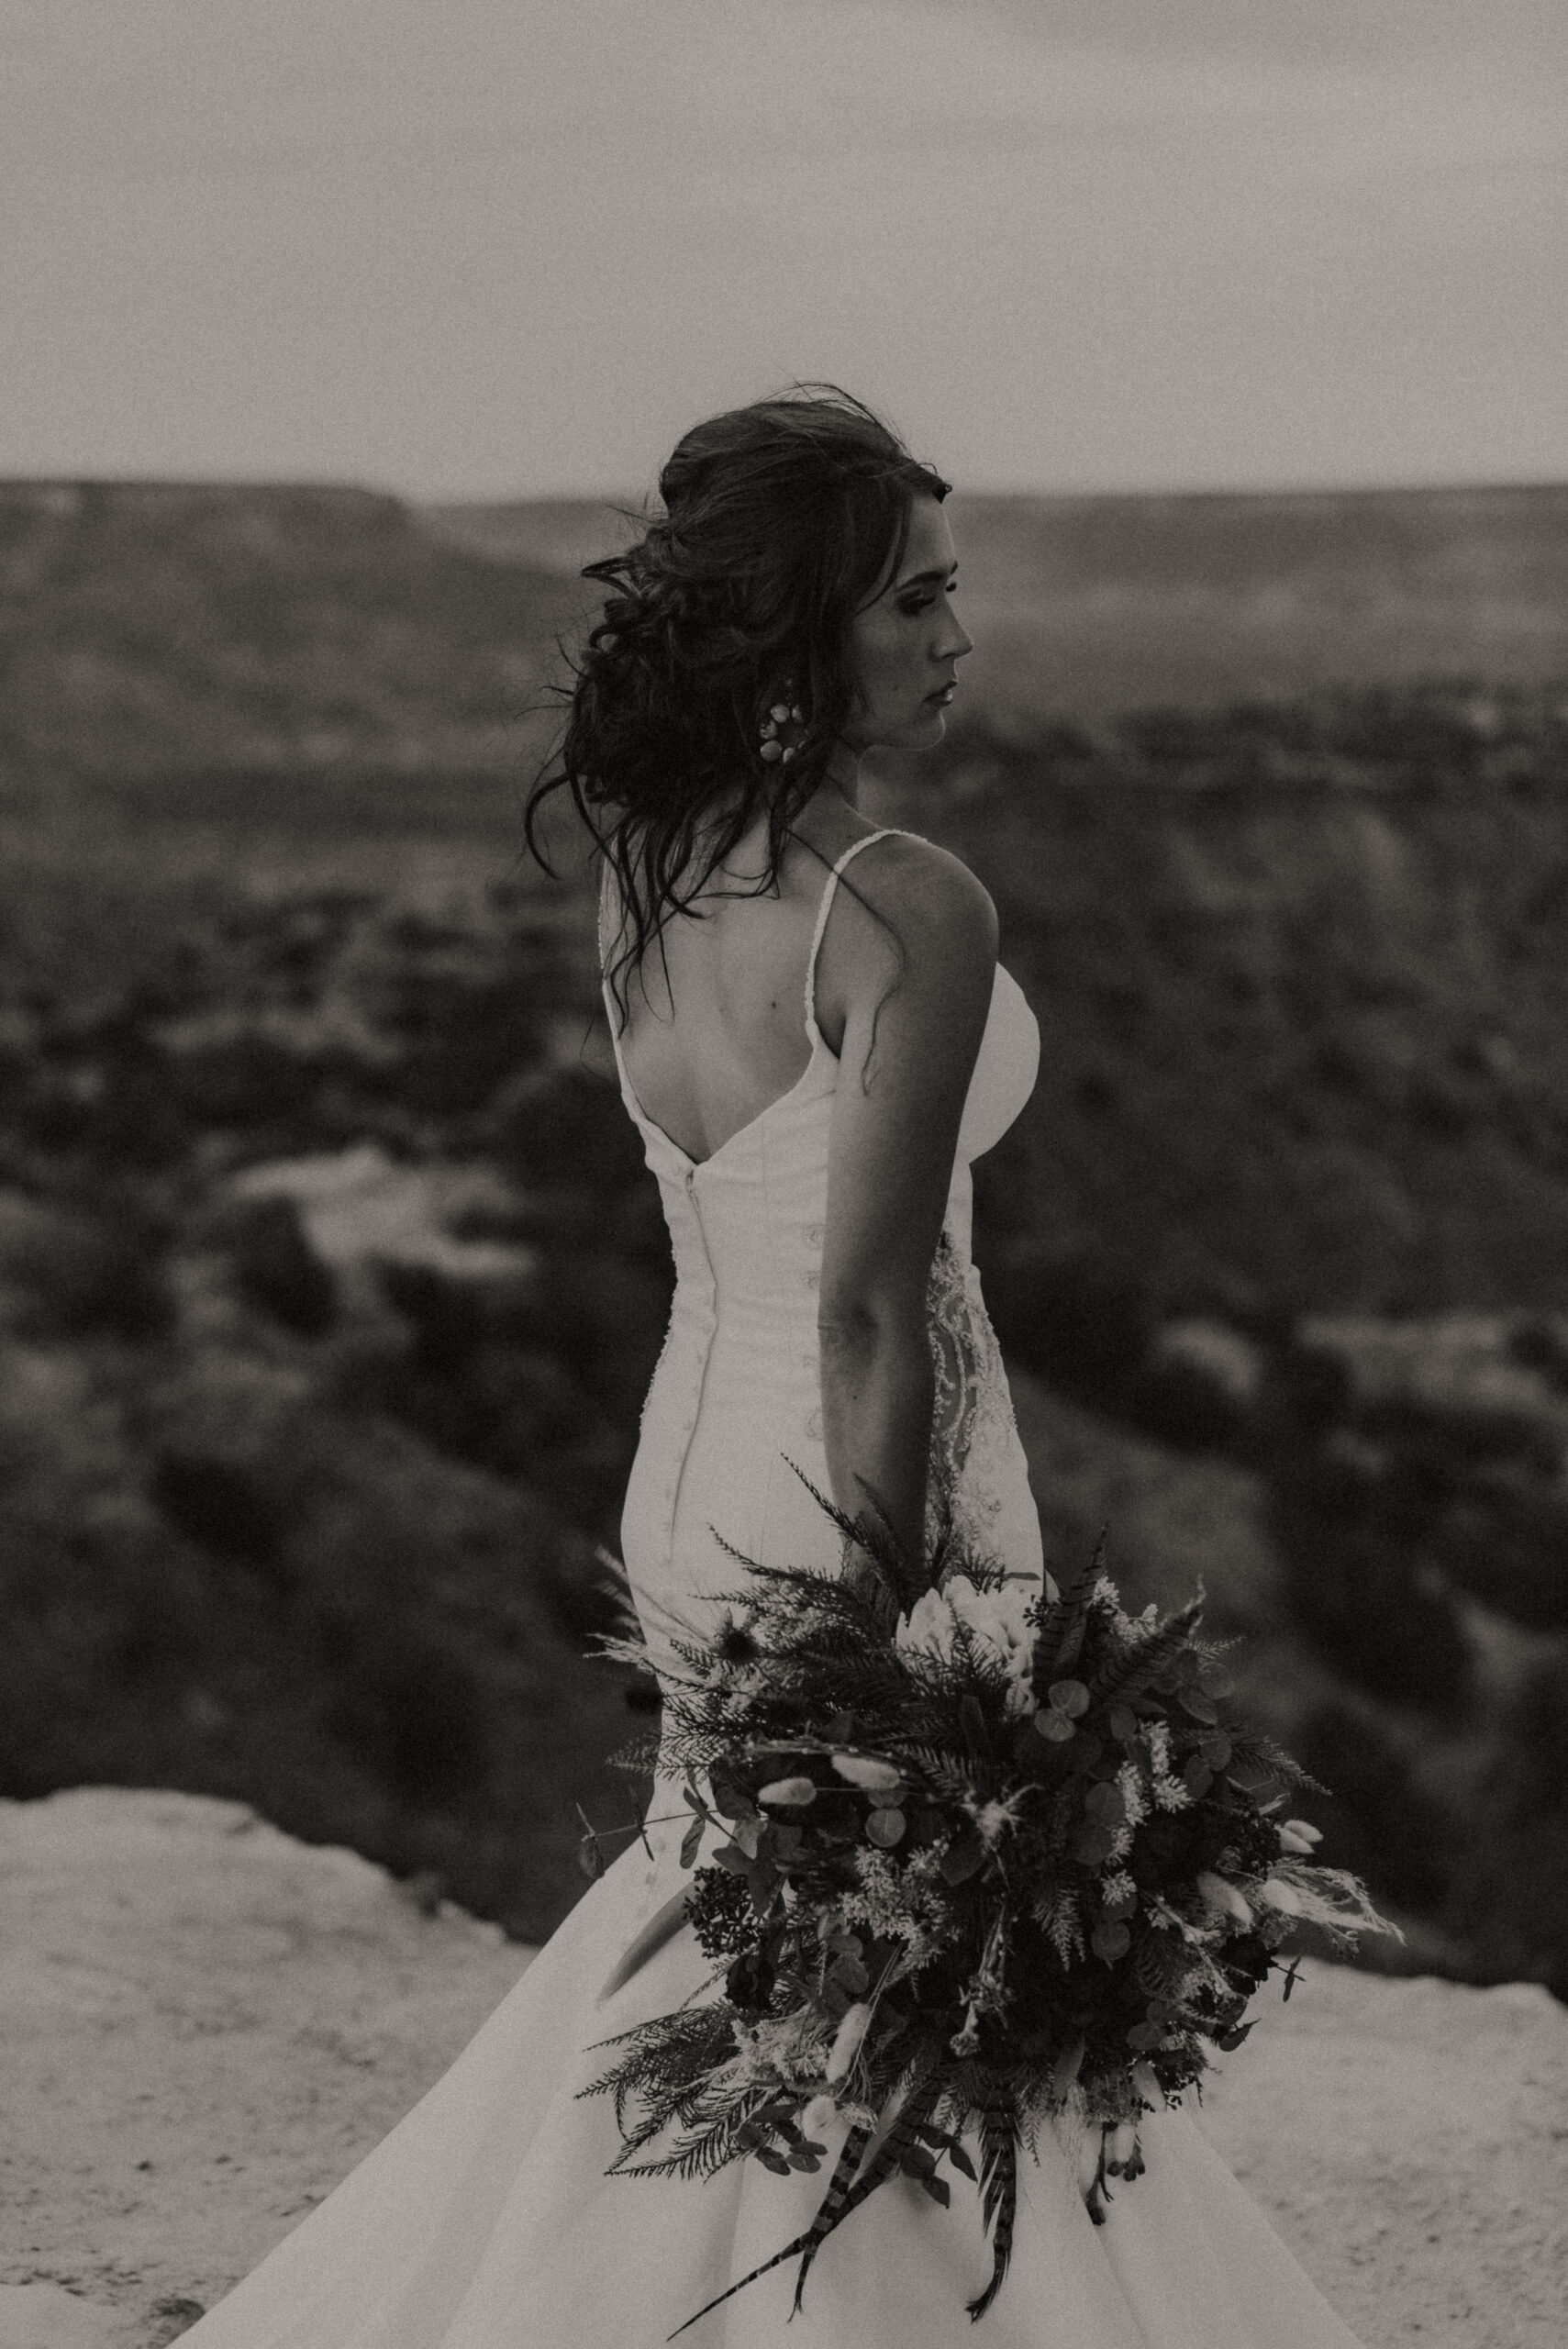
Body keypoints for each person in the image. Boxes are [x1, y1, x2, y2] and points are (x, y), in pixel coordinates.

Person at [173, 386, 1367, 2345]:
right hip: (865, 1459)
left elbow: (762, 1254)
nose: (955, 640)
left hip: (696, 1463)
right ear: (802, 633)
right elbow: (872, 1307)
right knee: (899, 1946)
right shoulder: (910, 902)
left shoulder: (655, 872)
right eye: (916, 601)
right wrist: (890, 1654)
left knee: (746, 1936)